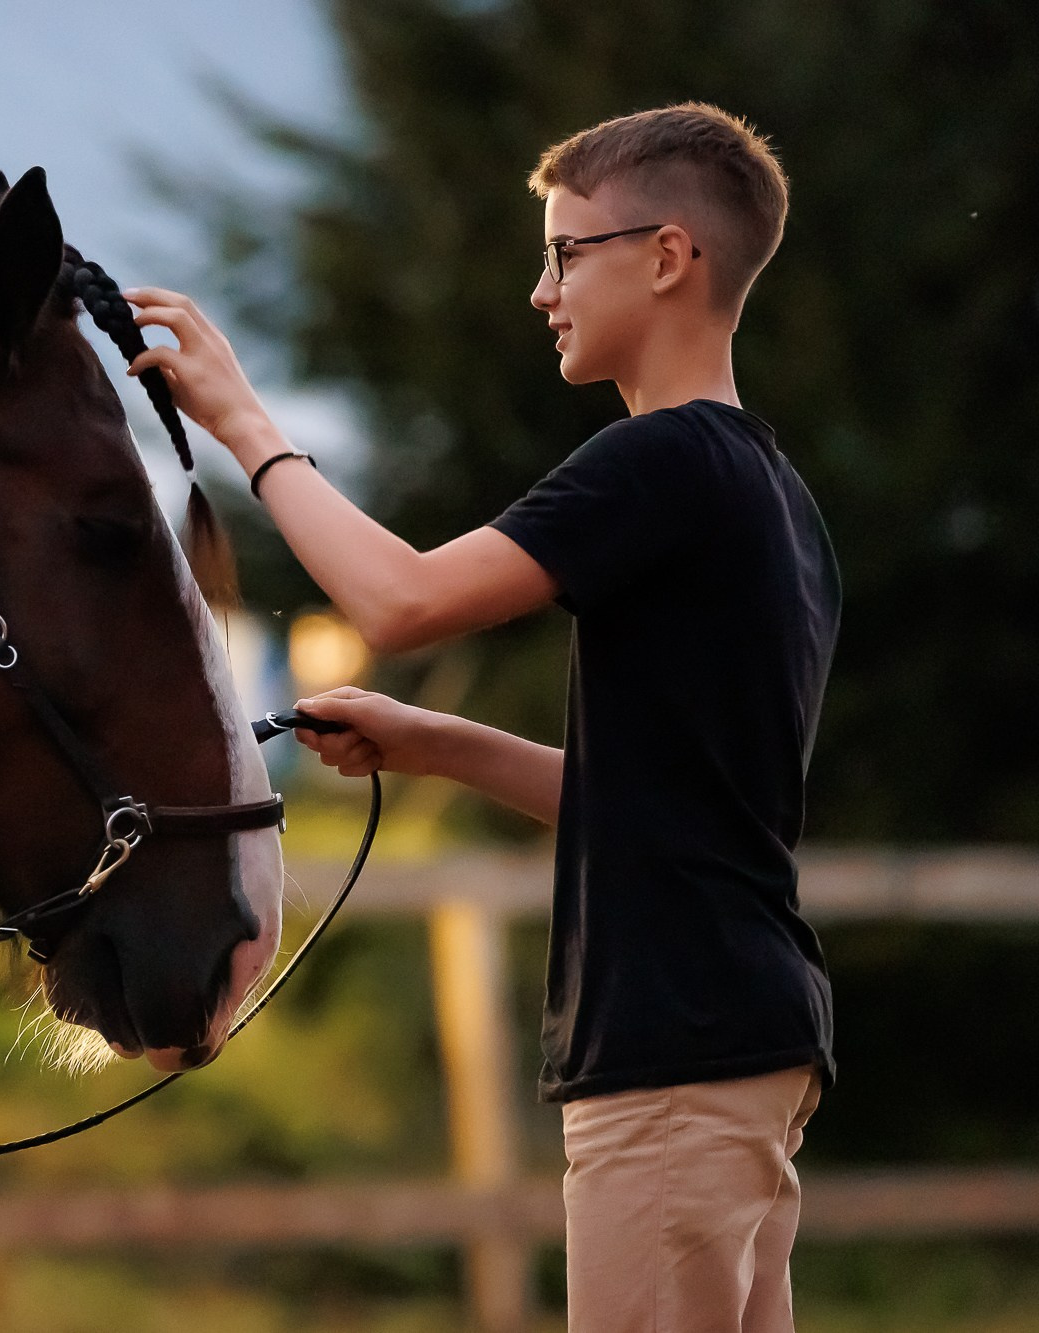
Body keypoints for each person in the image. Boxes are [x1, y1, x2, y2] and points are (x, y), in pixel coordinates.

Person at [122, 102, 839, 1332]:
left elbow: (396, 598)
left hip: (672, 1054)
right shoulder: (772, 495)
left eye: (565, 253)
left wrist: (246, 426)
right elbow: (669, 804)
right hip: (750, 1041)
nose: (538, 291)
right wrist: (428, 741)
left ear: (667, 257)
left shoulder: (659, 462)